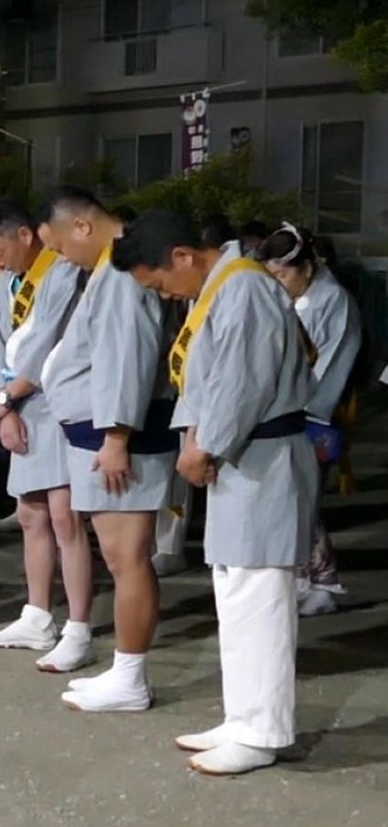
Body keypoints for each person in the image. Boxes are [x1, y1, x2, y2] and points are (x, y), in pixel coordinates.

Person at [113, 209, 317, 776]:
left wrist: (204, 446)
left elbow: (241, 381)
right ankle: (243, 715)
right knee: (235, 590)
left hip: (262, 458)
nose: (164, 294)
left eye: (159, 282)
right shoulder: (223, 287)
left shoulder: (244, 289)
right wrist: (200, 442)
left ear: (182, 256)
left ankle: (263, 730)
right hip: (241, 459)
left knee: (259, 596)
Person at [36, 187, 177, 714]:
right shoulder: (111, 269)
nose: (59, 258)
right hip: (103, 432)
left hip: (118, 436)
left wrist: (117, 435)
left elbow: (127, 356)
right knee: (122, 557)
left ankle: (131, 674)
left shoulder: (120, 273)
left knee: (126, 557)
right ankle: (124, 668)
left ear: (82, 226)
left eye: (58, 246)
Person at [0, 200, 95, 673]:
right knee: (30, 513)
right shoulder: (8, 282)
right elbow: (0, 346)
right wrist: (3, 408)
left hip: (58, 403)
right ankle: (37, 613)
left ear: (25, 235)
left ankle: (78, 628)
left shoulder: (62, 273)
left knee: (66, 517)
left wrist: (8, 398)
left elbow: (52, 342)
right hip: (20, 405)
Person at [256, 223, 362, 616]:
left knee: (304, 501)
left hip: (312, 413)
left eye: (283, 275)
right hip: (294, 410)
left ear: (306, 267)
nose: (279, 283)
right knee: (294, 501)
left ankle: (322, 581)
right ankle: (305, 578)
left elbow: (332, 365)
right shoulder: (305, 299)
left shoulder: (332, 300)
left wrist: (297, 405)